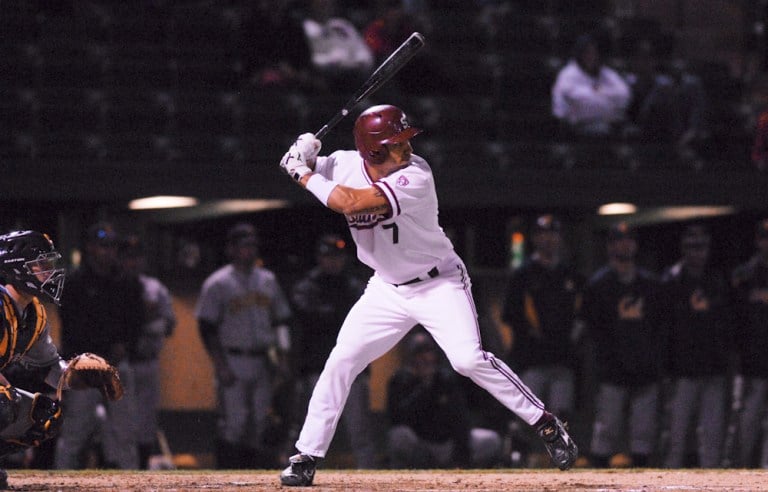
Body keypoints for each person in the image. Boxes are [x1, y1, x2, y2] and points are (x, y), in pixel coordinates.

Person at [277, 103, 577, 486]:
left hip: (439, 283)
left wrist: (300, 171)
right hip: (386, 287)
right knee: (341, 361)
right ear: (372, 151)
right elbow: (310, 171)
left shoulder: (416, 175)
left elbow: (346, 202)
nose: (406, 149)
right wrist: (300, 154)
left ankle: (546, 423)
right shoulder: (342, 164)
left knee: (467, 360)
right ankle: (306, 455)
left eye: (405, 141)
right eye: (396, 143)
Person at [195, 222, 292, 469]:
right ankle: (225, 477)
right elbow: (207, 328)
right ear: (231, 249)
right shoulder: (218, 283)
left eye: (252, 245)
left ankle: (253, 479)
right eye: (243, 246)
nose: (249, 250)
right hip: (233, 359)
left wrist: (282, 360)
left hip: (262, 360)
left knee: (260, 422)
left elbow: (281, 321)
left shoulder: (267, 280)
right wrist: (220, 365)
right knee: (234, 423)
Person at [54, 221, 144, 470]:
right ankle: (60, 480)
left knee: (125, 433)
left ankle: (132, 484)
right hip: (84, 367)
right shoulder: (75, 283)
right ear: (91, 248)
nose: (108, 252)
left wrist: (126, 346)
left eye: (112, 247)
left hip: (117, 365)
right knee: (75, 432)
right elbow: (71, 325)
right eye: (103, 246)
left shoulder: (127, 283)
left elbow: (137, 321)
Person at [582, 222, 668, 468]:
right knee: (606, 432)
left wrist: (654, 360)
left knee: (643, 434)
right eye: (619, 240)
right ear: (610, 245)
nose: (625, 244)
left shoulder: (651, 285)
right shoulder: (598, 285)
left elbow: (661, 326)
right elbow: (592, 330)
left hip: (645, 369)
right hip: (612, 371)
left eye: (629, 239)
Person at [500, 214, 584, 466]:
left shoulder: (570, 274)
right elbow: (509, 317)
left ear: (560, 238)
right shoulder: (523, 274)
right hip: (532, 360)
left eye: (553, 233)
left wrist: (573, 340)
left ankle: (560, 461)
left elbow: (582, 316)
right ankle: (522, 460)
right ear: (535, 238)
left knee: (561, 414)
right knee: (529, 415)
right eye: (542, 233)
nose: (548, 238)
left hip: (562, 361)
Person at [289, 233, 376, 468]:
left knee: (360, 430)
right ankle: (299, 469)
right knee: (307, 426)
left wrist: (334, 314)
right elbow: (309, 317)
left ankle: (369, 476)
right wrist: (339, 315)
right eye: (328, 256)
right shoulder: (307, 286)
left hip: (353, 371)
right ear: (319, 257)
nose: (333, 261)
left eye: (337, 256)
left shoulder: (355, 285)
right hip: (316, 369)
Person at [660, 224, 733, 468]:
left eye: (701, 247)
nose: (697, 253)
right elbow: (664, 328)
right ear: (683, 248)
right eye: (692, 247)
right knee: (675, 436)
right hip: (682, 372)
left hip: (713, 368)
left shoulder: (717, 280)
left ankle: (711, 484)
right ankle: (666, 482)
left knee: (711, 437)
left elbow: (727, 324)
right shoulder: (672, 279)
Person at [0, 230, 68, 488]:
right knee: (4, 401)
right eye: (42, 265)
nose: (49, 272)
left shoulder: (32, 313)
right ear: (18, 269)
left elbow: (49, 369)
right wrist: (7, 391)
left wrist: (79, 374)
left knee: (45, 415)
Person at [386, 329, 503, 468]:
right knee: (398, 436)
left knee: (490, 439)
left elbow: (459, 417)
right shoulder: (400, 380)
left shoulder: (445, 379)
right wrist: (424, 387)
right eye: (419, 353)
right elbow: (399, 418)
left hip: (447, 444)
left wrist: (460, 452)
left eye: (427, 352)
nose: (424, 358)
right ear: (411, 357)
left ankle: (459, 467)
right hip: (421, 445)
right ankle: (412, 474)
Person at [119, 234, 177, 469]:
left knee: (145, 422)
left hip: (147, 360)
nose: (133, 262)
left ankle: (141, 470)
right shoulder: (115, 285)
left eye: (137, 257)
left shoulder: (154, 288)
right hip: (122, 362)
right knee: (120, 424)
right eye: (129, 257)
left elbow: (170, 324)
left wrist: (150, 318)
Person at [730, 218, 768, 467]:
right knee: (745, 427)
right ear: (758, 241)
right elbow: (733, 321)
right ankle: (740, 477)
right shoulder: (744, 275)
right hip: (751, 364)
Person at [551, 33, 632, 138]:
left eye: (594, 53)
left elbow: (624, 95)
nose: (591, 56)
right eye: (587, 53)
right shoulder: (568, 74)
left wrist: (597, 92)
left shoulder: (606, 73)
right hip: (576, 129)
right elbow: (575, 100)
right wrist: (605, 98)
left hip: (609, 126)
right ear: (579, 54)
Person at [301, 0, 374, 92]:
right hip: (326, 80)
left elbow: (363, 51)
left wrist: (360, 60)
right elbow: (310, 59)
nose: (325, 4)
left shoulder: (342, 25)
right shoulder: (305, 27)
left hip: (355, 75)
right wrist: (333, 60)